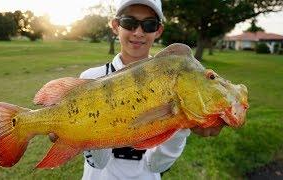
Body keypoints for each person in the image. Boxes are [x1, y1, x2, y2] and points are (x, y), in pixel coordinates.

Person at [78, 0, 224, 180]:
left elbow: (157, 165)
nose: (138, 32)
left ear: (159, 30)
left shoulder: (175, 84)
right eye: (129, 23)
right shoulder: (91, 79)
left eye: (149, 25)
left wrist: (182, 125)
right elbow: (97, 163)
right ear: (116, 26)